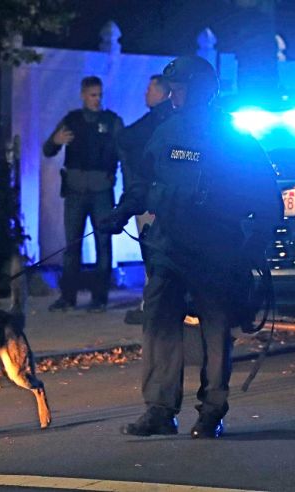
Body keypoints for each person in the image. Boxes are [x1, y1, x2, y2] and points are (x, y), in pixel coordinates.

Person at [99, 56, 282, 438]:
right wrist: (120, 211)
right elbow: (144, 182)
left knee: (215, 331)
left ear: (199, 90)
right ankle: (160, 410)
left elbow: (267, 198)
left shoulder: (232, 138)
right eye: (171, 88)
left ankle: (211, 410)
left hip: (214, 252)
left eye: (179, 88)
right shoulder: (166, 131)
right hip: (167, 248)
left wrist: (251, 248)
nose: (173, 95)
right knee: (158, 324)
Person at [43, 76, 124, 313]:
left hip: (101, 191)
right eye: (92, 95)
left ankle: (100, 298)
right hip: (76, 191)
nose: (97, 100)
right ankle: (68, 297)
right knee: (72, 246)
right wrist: (55, 141)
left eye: (100, 95)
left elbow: (124, 151)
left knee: (103, 244)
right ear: (83, 95)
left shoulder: (112, 121)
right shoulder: (72, 120)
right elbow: (48, 149)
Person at [116, 74, 173, 325]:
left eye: (150, 88)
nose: (145, 93)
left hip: (152, 198)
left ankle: (153, 305)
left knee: (153, 253)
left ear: (163, 92)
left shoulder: (158, 120)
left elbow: (127, 139)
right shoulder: (162, 118)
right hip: (155, 196)